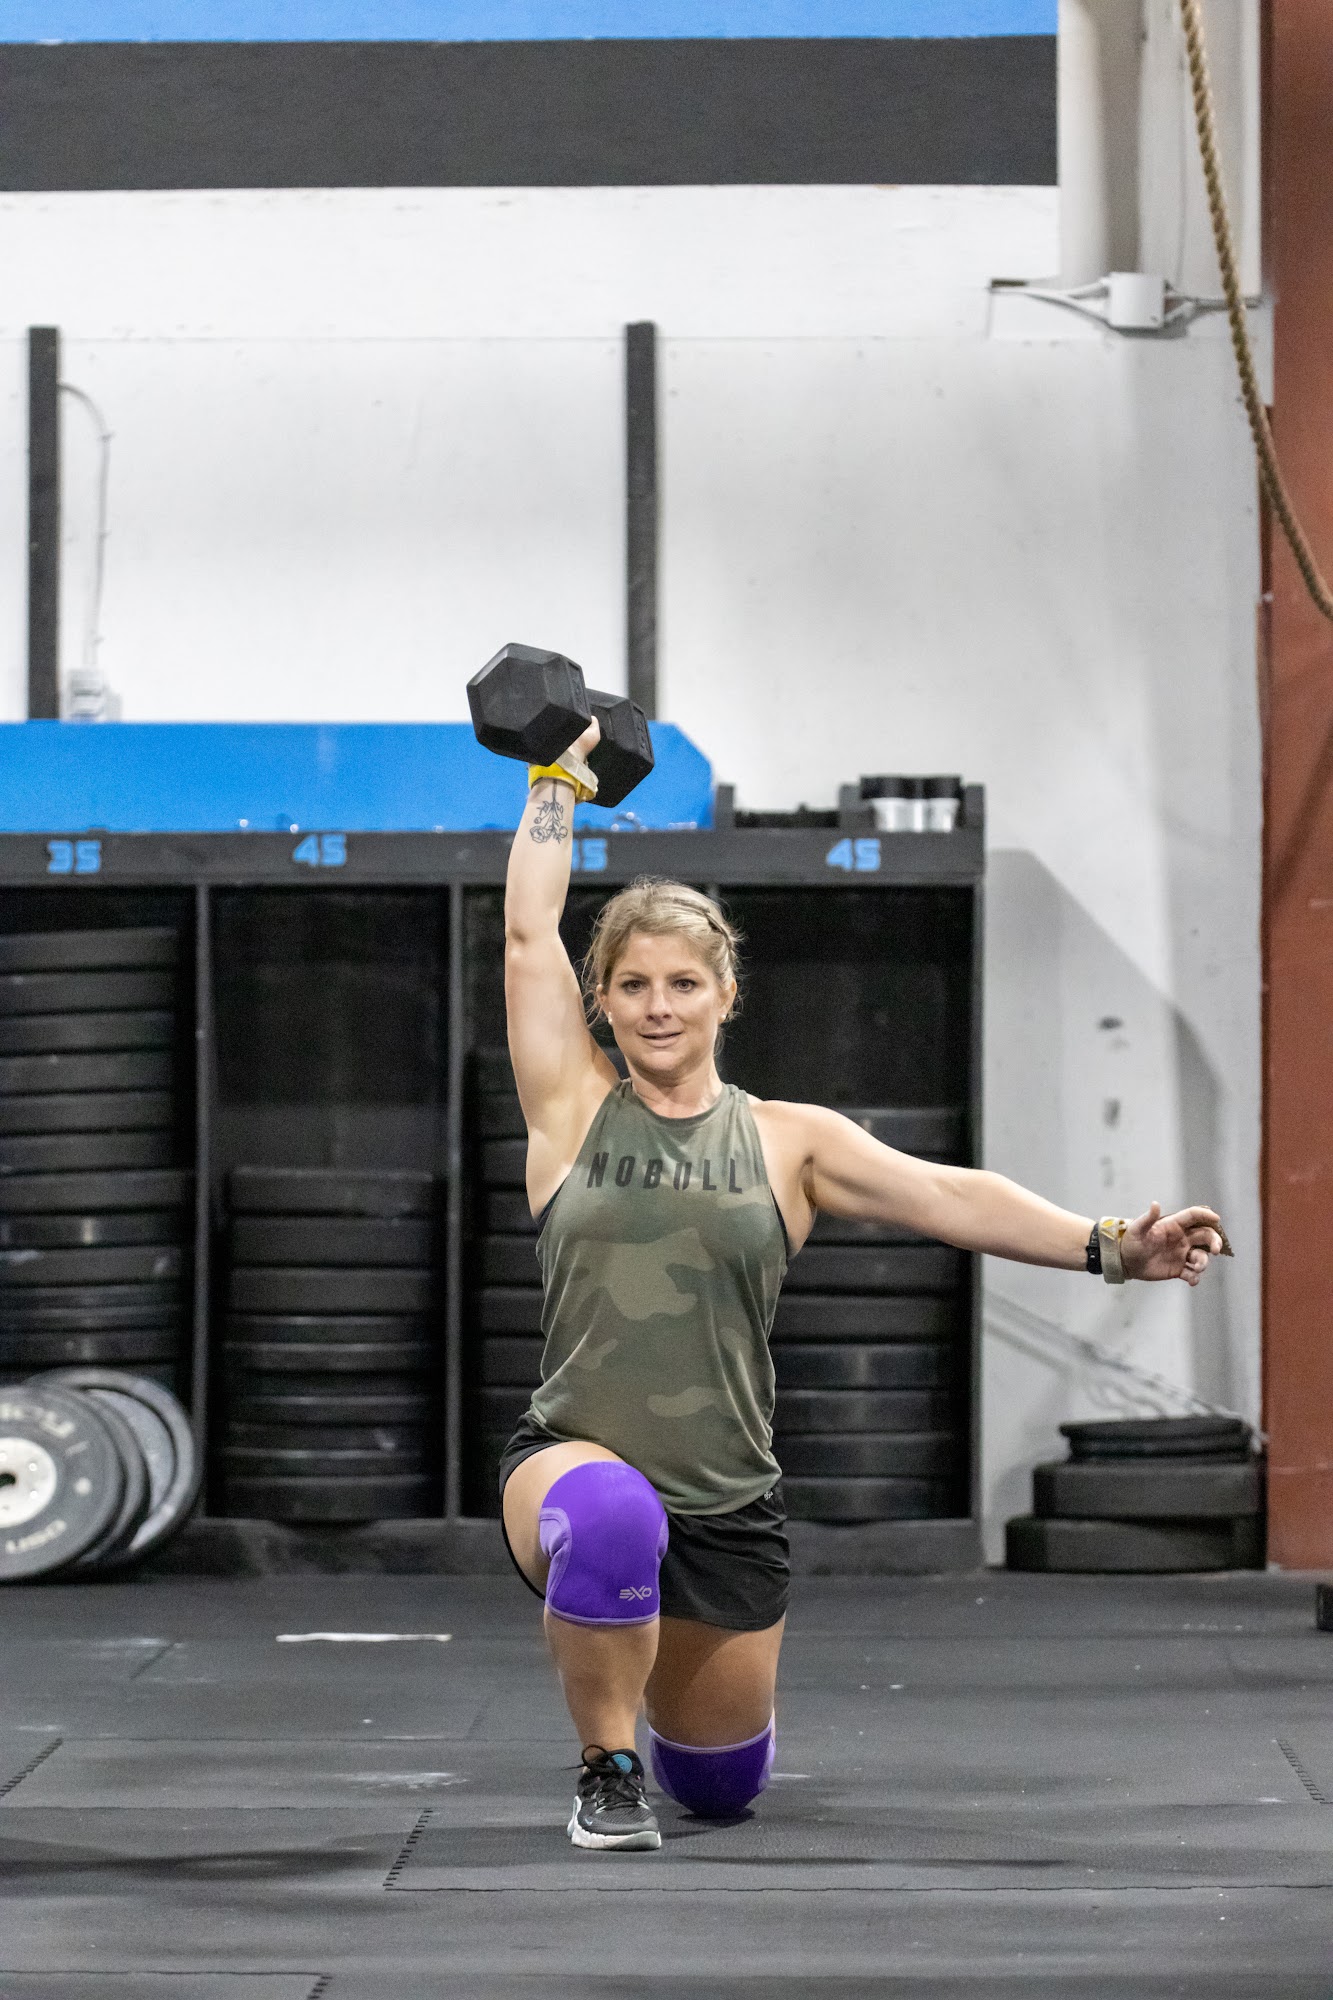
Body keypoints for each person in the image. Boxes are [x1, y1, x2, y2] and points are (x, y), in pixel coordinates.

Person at [498, 723, 1227, 1853]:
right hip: (571, 1457)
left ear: (725, 993)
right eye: (631, 985)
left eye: (682, 982)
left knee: (724, 1788)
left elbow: (947, 1195)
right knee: (608, 1517)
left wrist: (1109, 1245)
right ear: (600, 999)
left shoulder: (789, 1142)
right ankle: (607, 1765)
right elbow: (525, 930)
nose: (657, 1005)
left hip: (726, 1496)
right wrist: (556, 778)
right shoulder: (569, 1111)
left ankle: (675, 1720)